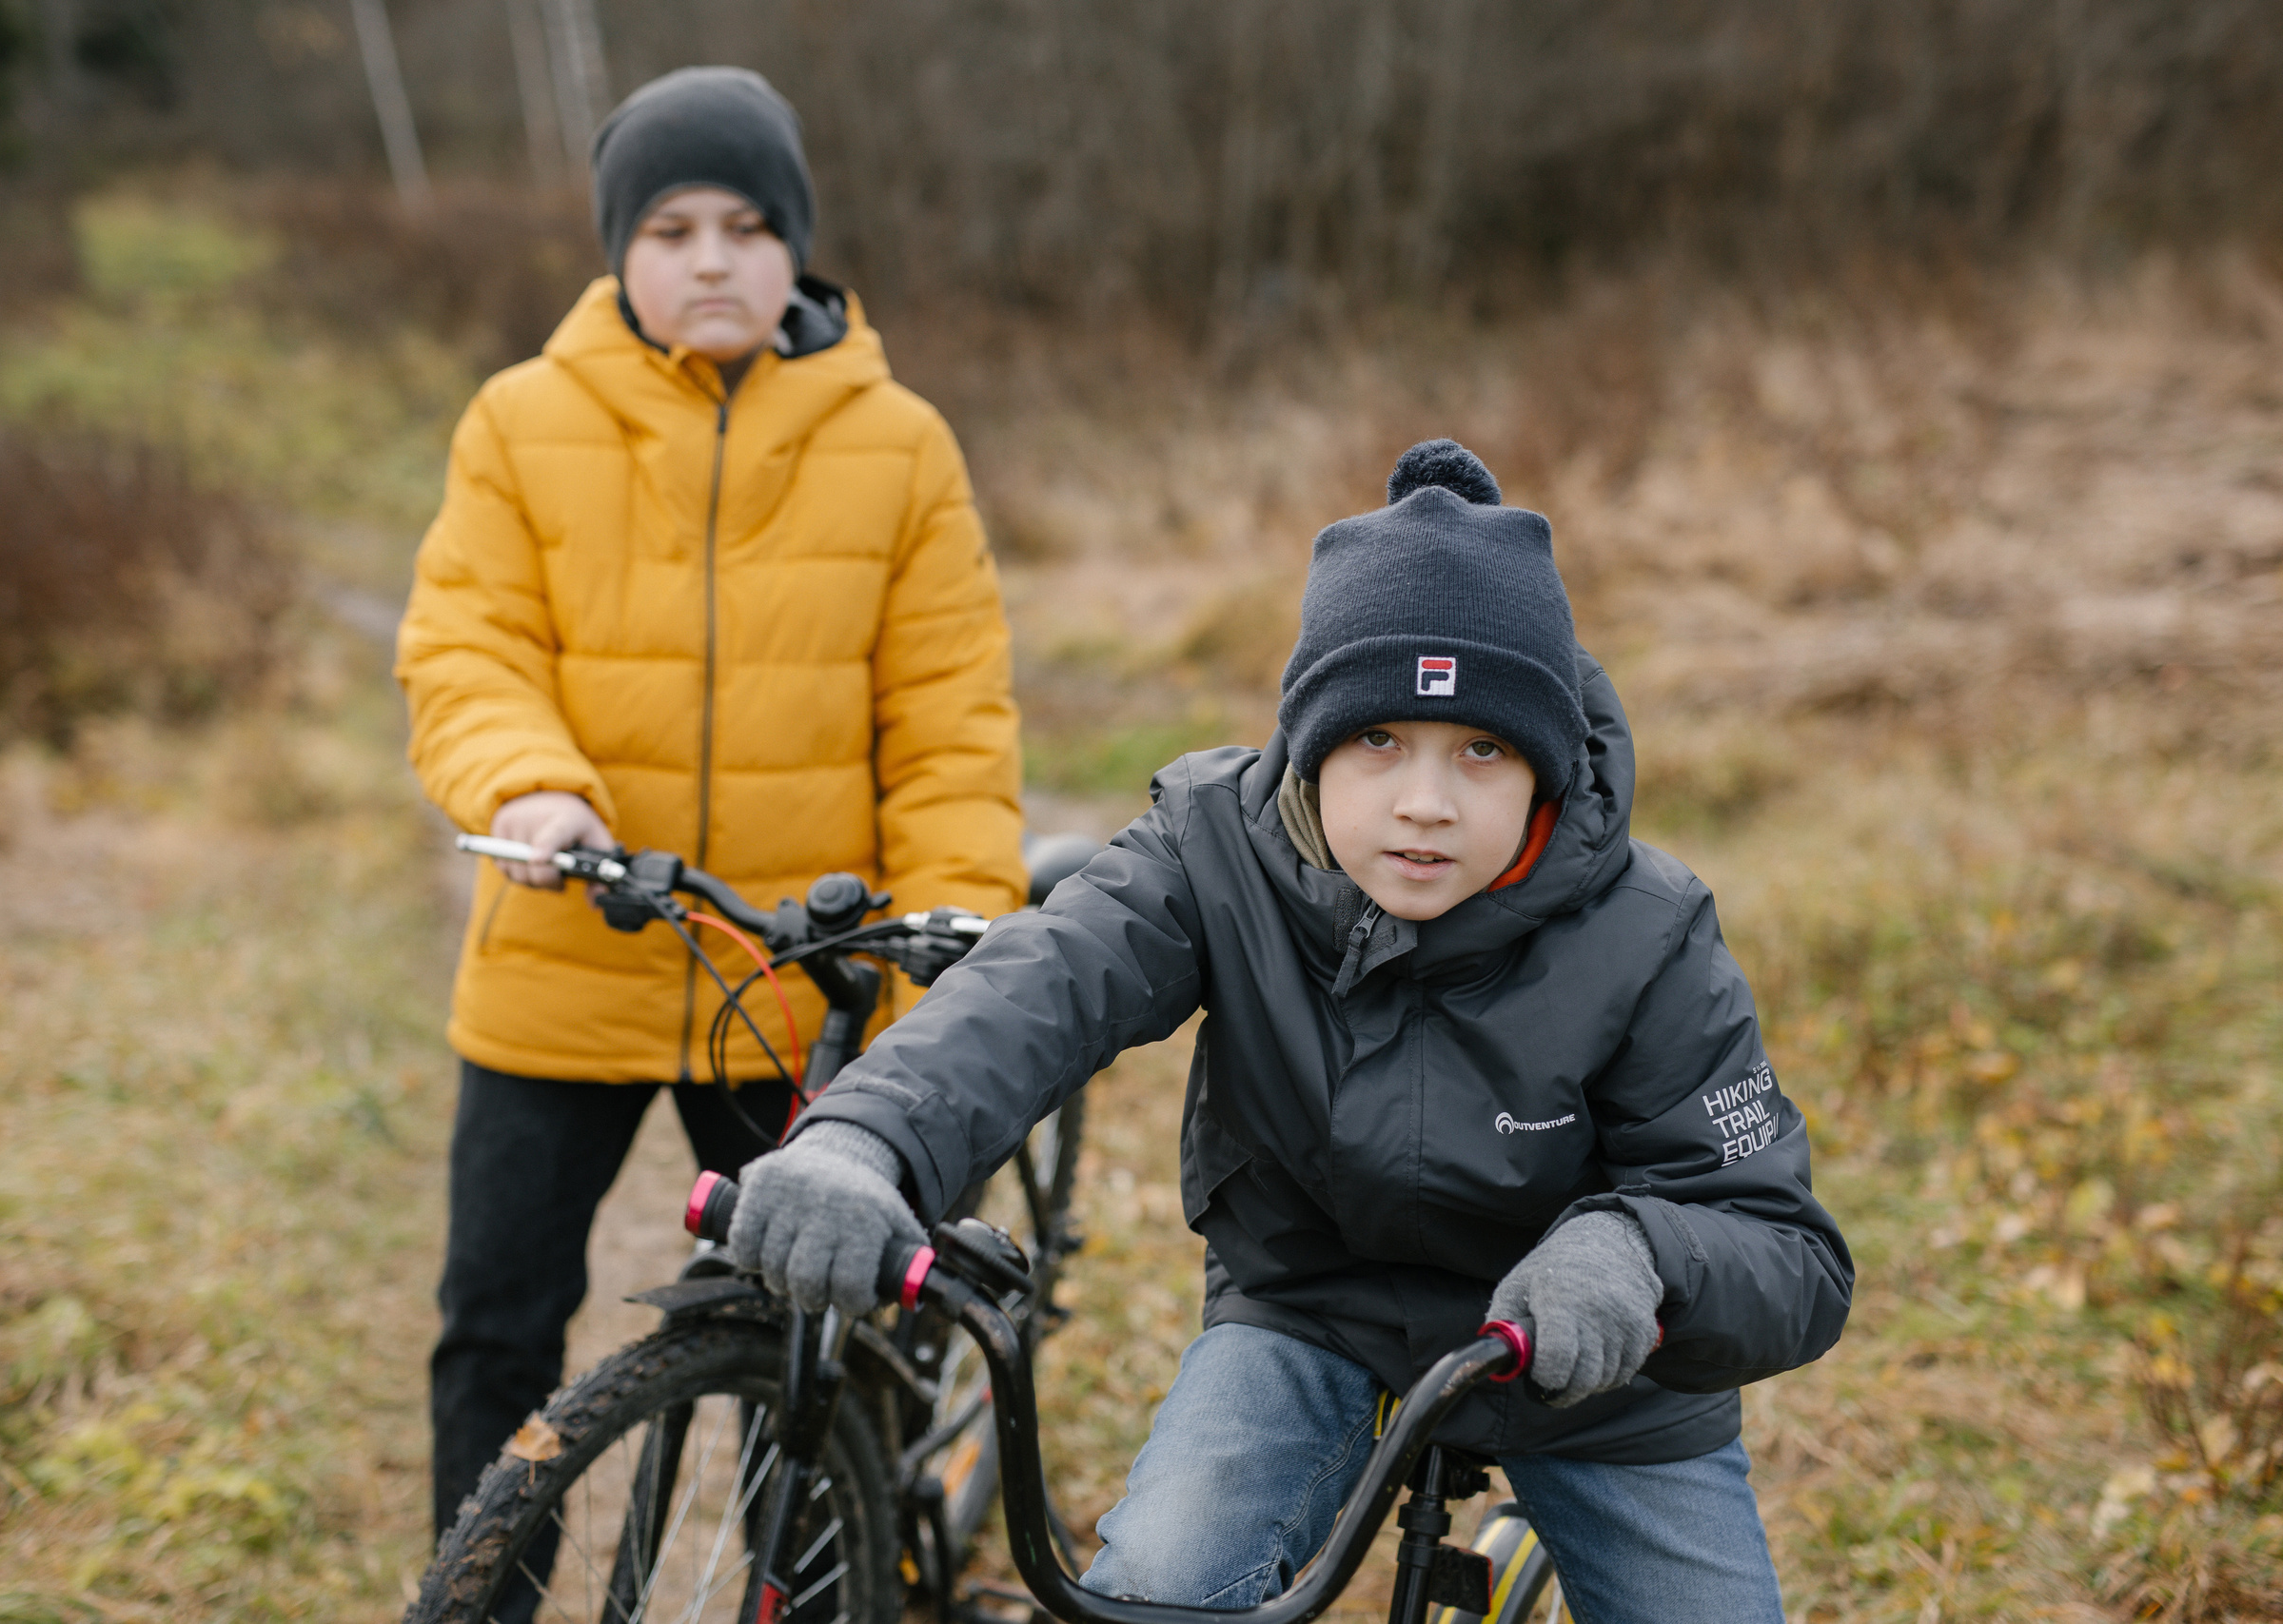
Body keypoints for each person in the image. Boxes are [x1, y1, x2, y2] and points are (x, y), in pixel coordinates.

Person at [727, 440, 1853, 1623]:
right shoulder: (1212, 852)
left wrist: (1638, 1255)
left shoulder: (1651, 932)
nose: (1425, 800)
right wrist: (865, 1138)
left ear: (1548, 774)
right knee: (1159, 1591)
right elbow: (1035, 988)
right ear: (1309, 754)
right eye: (1377, 742)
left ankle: (1535, 1547)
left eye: (1483, 749)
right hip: (1312, 1313)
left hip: (1601, 1377)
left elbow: (1788, 1252)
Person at [394, 65, 1025, 1564]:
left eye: (748, 224)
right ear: (622, 248)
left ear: (794, 242)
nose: (711, 258)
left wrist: (960, 935)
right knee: (495, 1319)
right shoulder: (519, 422)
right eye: (670, 225)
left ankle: (831, 1583)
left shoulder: (903, 443)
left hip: (798, 980)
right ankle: (476, 1596)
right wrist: (531, 785)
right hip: (569, 958)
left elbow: (948, 717)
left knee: (825, 1323)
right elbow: (465, 647)